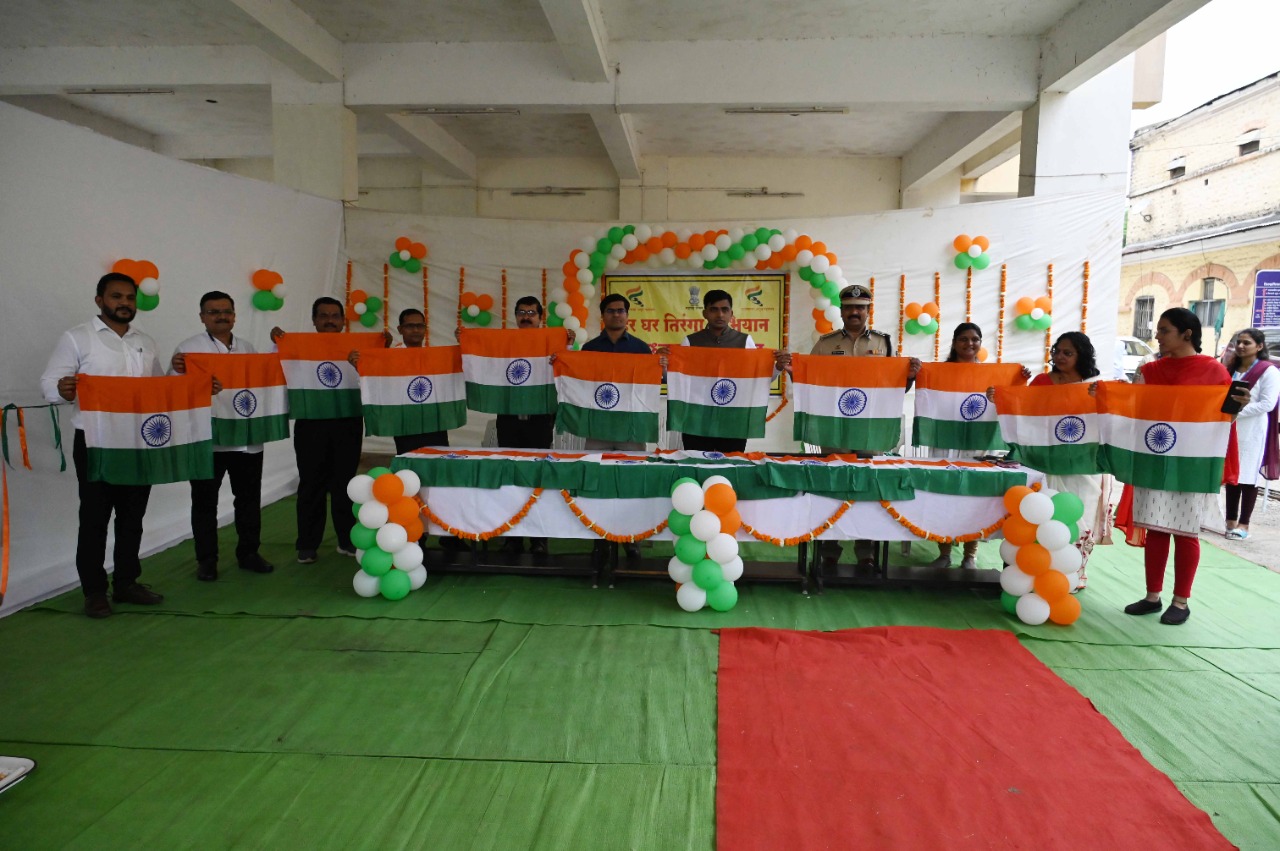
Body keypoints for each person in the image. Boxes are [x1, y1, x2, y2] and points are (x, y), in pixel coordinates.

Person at [40, 273, 165, 618]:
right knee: (95, 517)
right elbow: (49, 383)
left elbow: (157, 390)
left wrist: (191, 385)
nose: (124, 303)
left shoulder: (147, 342)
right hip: (96, 441)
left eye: (129, 297)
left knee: (132, 516)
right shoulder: (78, 338)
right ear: (100, 300)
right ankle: (94, 591)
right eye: (116, 296)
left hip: (139, 439)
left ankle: (126, 583)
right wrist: (62, 389)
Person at [1122, 308, 1249, 625]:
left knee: (1185, 532)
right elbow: (1135, 411)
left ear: (1186, 334)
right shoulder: (1151, 370)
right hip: (1156, 456)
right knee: (1156, 528)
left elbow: (1222, 422)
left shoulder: (1214, 371)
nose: (1158, 336)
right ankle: (1153, 597)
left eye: (1164, 330)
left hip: (1192, 461)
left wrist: (1238, 405)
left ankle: (1181, 601)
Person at [806, 283, 919, 570]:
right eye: (849, 307)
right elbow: (810, 384)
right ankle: (829, 549)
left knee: (867, 488)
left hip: (871, 428)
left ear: (868, 311)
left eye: (861, 307)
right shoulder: (825, 344)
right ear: (841, 311)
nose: (854, 312)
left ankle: (865, 551)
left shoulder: (884, 343)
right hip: (836, 428)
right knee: (834, 485)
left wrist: (910, 378)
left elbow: (894, 388)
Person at [170, 291, 274, 581]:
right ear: (202, 316)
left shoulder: (247, 348)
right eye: (213, 312)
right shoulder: (187, 350)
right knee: (204, 501)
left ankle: (249, 553)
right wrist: (181, 373)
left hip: (245, 438)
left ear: (235, 315)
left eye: (226, 311)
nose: (221, 316)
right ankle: (207, 559)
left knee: (249, 499)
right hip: (206, 438)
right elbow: (172, 392)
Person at [271, 297, 362, 564]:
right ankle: (308, 544)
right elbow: (276, 363)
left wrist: (382, 350)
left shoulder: (357, 349)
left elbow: (377, 373)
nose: (330, 320)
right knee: (312, 484)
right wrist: (275, 340)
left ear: (343, 321)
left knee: (346, 484)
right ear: (314, 320)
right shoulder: (298, 348)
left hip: (348, 422)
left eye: (335, 315)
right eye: (324, 315)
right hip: (311, 424)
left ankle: (347, 540)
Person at [931, 322, 1029, 570]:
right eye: (963, 339)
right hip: (947, 441)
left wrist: (1019, 380)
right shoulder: (940, 372)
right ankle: (944, 552)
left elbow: (1007, 403)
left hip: (978, 443)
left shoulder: (992, 377)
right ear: (954, 343)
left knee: (974, 499)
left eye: (975, 339)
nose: (969, 344)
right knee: (944, 495)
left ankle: (969, 555)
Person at [579, 293, 663, 561]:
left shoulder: (641, 349)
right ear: (602, 316)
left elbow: (649, 386)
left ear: (628, 315)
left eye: (621, 311)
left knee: (631, 483)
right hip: (598, 428)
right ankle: (599, 537)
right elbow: (579, 385)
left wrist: (659, 369)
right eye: (611, 311)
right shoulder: (589, 349)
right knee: (597, 483)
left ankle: (632, 538)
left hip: (631, 429)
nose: (616, 315)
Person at [1024, 332, 1109, 588]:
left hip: (1083, 462)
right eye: (1057, 351)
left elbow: (1108, 419)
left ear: (1081, 356)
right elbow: (1026, 415)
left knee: (1079, 512)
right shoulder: (1041, 381)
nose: (1059, 357)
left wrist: (1101, 397)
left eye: (1067, 353)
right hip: (1046, 460)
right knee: (1045, 516)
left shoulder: (1094, 384)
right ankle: (1040, 571)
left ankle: (1073, 573)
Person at [678, 289, 787, 453]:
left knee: (731, 467)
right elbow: (678, 379)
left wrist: (778, 367)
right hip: (697, 420)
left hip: (733, 420)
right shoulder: (690, 342)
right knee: (696, 465)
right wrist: (663, 366)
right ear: (705, 313)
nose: (720, 314)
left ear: (731, 314)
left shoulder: (744, 341)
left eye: (724, 309)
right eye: (714, 309)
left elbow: (757, 378)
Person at [497, 296, 559, 557]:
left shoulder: (550, 343)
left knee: (537, 480)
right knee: (511, 479)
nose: (526, 316)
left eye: (531, 312)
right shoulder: (503, 344)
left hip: (539, 422)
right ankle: (512, 537)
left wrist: (563, 346)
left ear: (540, 317)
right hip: (509, 421)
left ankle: (538, 538)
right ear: (515, 316)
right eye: (521, 312)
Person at [1221, 328, 1280, 539]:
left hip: (1253, 428)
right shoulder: (1231, 369)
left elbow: (1267, 403)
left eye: (1247, 343)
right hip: (1230, 427)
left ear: (1260, 346)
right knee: (1232, 475)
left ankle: (1243, 524)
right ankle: (1230, 520)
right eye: (1239, 342)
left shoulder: (1268, 371)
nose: (1241, 346)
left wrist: (1236, 412)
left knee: (1248, 476)